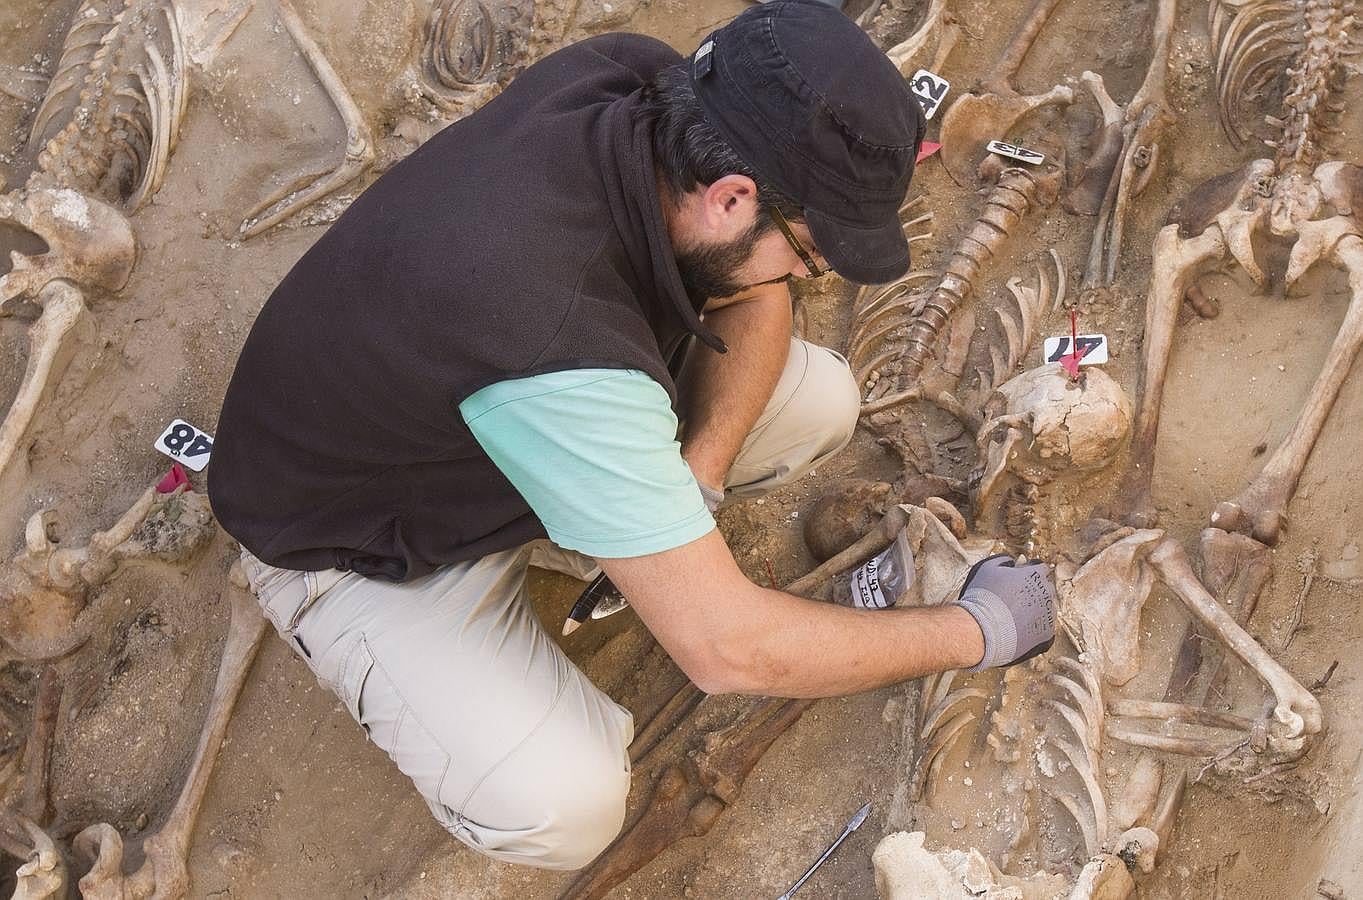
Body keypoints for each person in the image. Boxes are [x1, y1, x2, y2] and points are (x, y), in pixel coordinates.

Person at [208, 0, 1056, 872]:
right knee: (559, 804)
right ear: (732, 198)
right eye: (808, 253)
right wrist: (975, 629)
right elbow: (729, 651)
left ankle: (616, 530)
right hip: (354, 538)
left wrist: (699, 476)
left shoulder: (639, 86)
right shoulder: (552, 338)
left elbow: (750, 290)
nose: (805, 276)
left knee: (818, 399)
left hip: (474, 421)